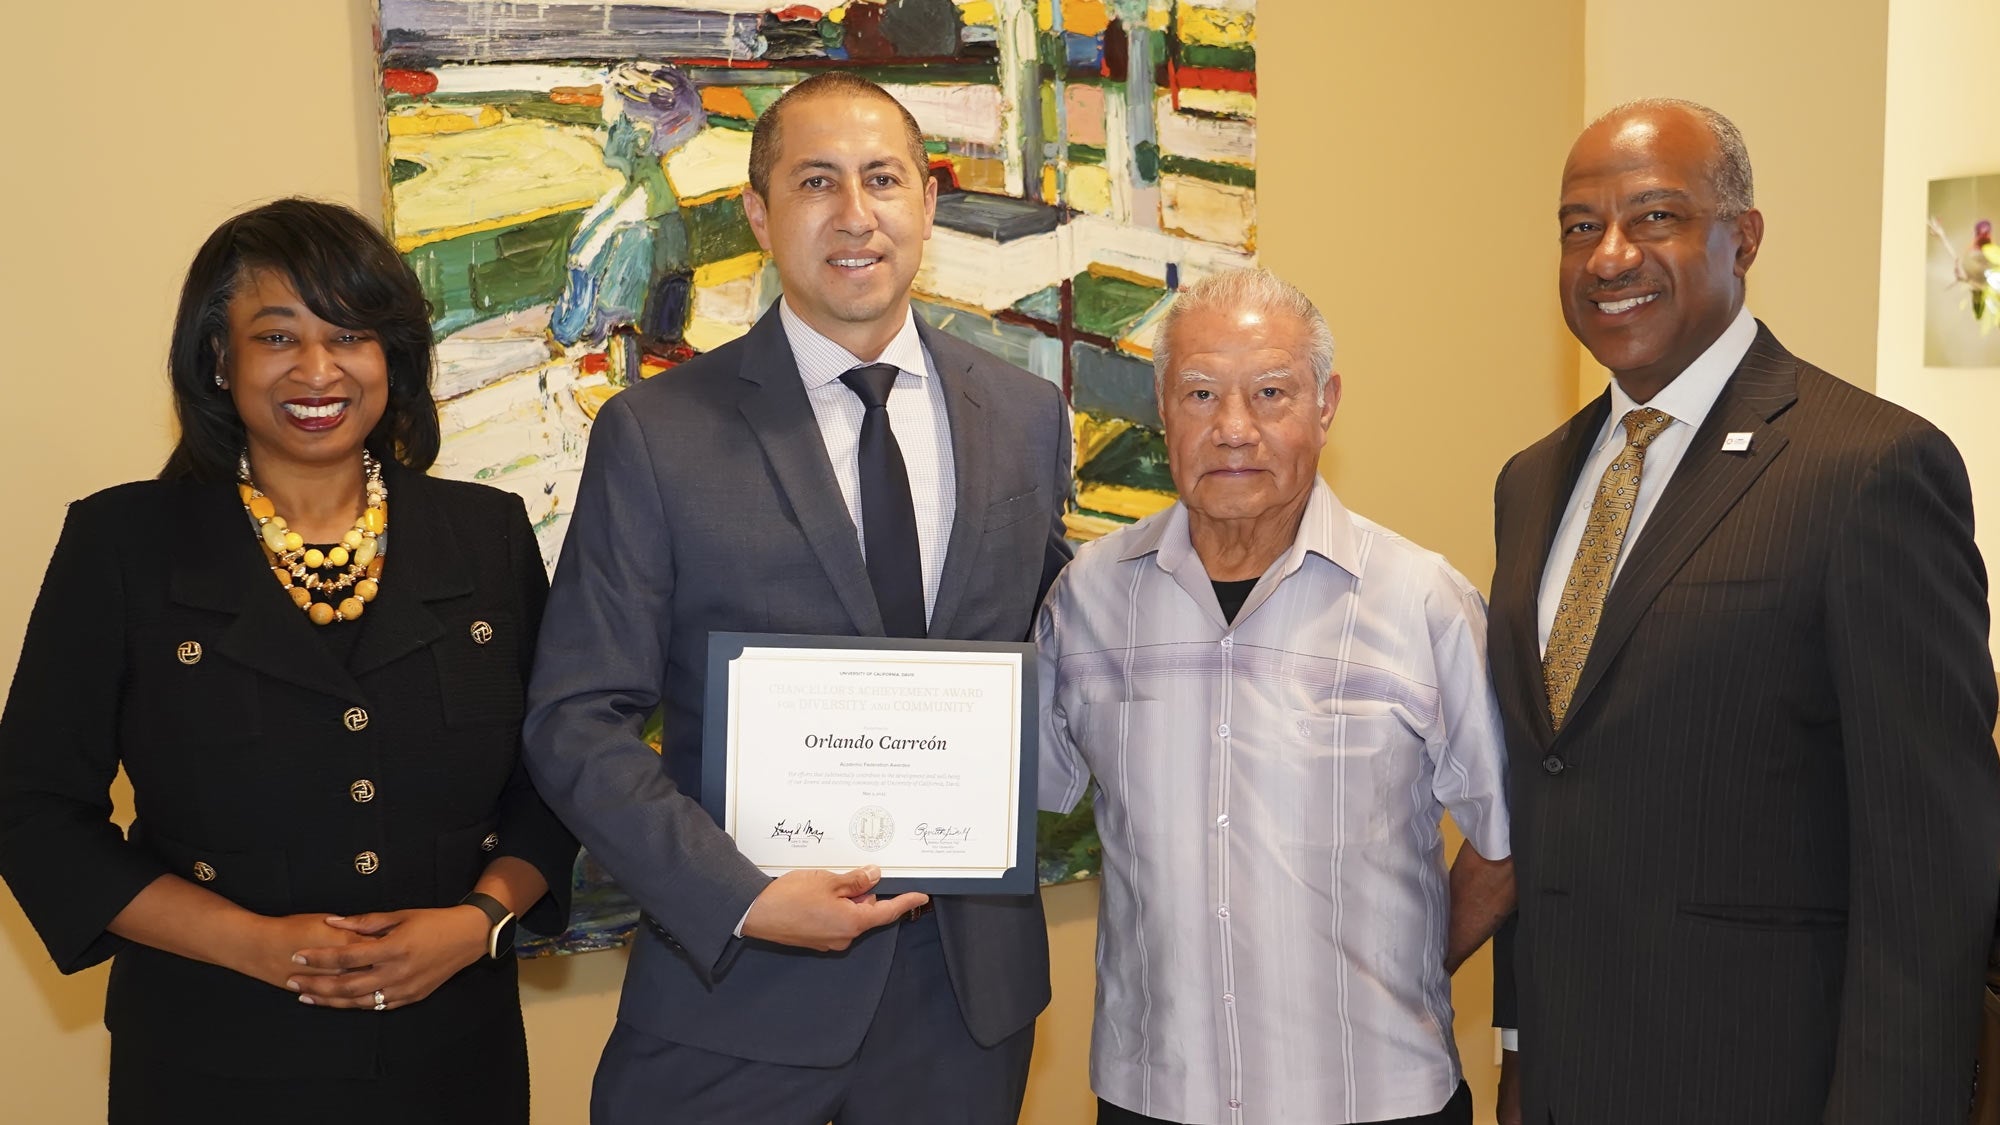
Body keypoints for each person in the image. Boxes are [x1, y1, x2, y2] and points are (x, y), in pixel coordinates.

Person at [521, 73, 1072, 1123]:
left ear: (926, 202)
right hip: (735, 1006)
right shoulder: (656, 434)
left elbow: (1062, 654)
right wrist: (743, 898)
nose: (855, 215)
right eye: (816, 182)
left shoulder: (1022, 414)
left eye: (883, 180)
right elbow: (572, 720)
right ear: (759, 214)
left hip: (967, 1012)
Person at [0, 198, 577, 1123]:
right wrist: (252, 944)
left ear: (391, 354)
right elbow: (30, 806)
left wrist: (479, 922)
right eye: (278, 336)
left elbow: (558, 776)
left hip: (451, 1060)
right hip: (209, 1059)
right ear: (220, 362)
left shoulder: (486, 535)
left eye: (350, 334)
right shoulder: (125, 542)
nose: (319, 369)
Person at [1488, 99, 2000, 1124]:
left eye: (1654, 217)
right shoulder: (1530, 481)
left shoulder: (1865, 470)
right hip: (1557, 1081)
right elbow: (1554, 780)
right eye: (1578, 227)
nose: (1608, 256)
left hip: (1763, 1081)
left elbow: (1930, 868)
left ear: (1743, 237)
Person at [1036, 267, 1515, 1125]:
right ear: (1161, 407)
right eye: (1199, 394)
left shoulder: (1422, 601)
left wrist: (1407, 967)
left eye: (1269, 393)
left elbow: (1506, 838)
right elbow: (1012, 788)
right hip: (1154, 1095)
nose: (1233, 429)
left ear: (1326, 404)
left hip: (1376, 1092)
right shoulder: (1089, 598)